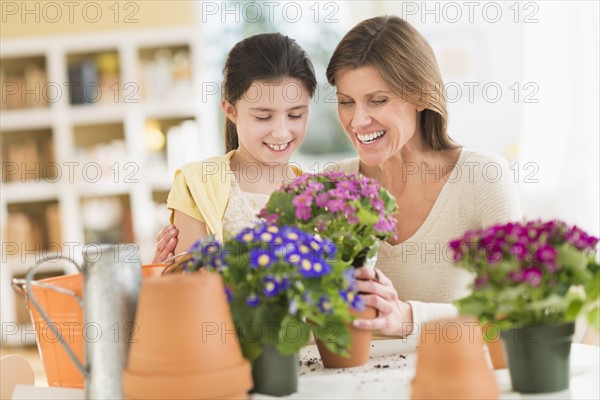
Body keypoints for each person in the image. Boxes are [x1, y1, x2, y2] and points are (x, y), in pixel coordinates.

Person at [154, 16, 521, 338]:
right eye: (347, 102)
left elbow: (522, 308)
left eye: (377, 100)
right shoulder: (332, 186)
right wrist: (165, 278)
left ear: (421, 94)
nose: (358, 121)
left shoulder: (481, 176)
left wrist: (409, 316)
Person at [162, 32, 316, 258]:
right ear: (231, 111)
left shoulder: (319, 193)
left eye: (295, 115)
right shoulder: (198, 184)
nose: (281, 132)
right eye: (263, 117)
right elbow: (191, 287)